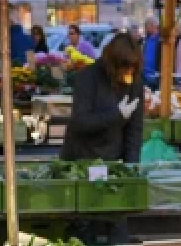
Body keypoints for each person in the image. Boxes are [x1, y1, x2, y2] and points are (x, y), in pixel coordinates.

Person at [60, 33, 143, 163]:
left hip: (114, 156)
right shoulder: (87, 77)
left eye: (132, 68)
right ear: (113, 63)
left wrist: (131, 165)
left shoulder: (135, 82)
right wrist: (117, 115)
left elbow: (134, 129)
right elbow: (80, 121)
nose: (129, 72)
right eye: (125, 68)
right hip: (82, 155)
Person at [143, 17, 161, 86]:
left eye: (146, 25)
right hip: (145, 76)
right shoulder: (146, 39)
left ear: (153, 25)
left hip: (156, 76)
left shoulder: (160, 40)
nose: (145, 28)